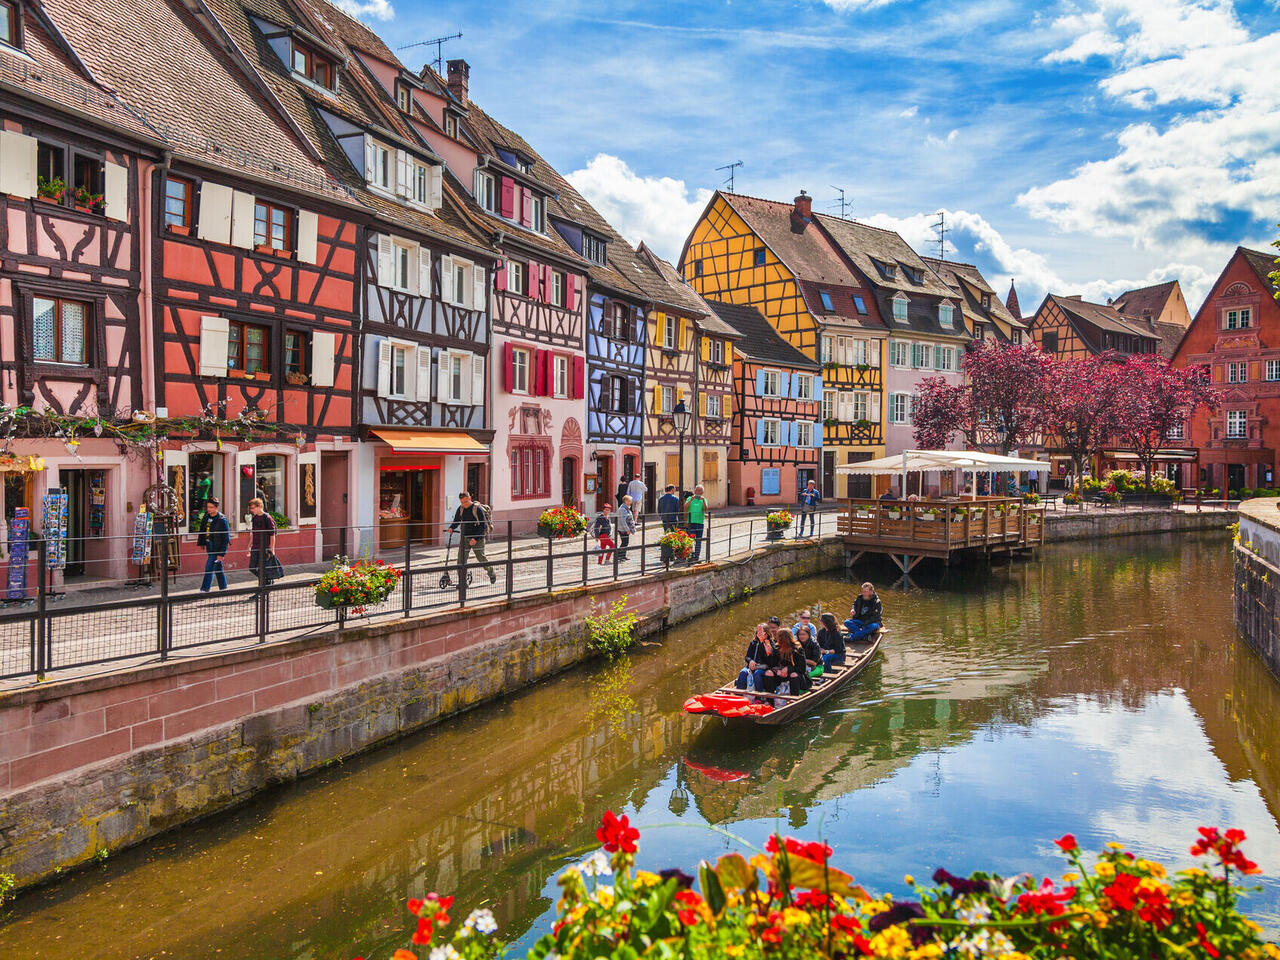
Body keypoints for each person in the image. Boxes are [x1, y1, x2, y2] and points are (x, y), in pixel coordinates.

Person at [448, 491, 496, 584]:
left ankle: (491, 572)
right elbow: (456, 521)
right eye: (462, 502)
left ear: (469, 498)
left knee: (481, 558)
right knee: (461, 560)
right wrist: (451, 528)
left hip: (478, 538)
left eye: (466, 501)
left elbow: (483, 526)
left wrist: (475, 539)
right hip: (465, 537)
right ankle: (463, 582)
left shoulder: (477, 509)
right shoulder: (461, 509)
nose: (464, 504)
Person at [195, 497, 229, 593]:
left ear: (217, 507)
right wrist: (202, 541)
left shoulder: (222, 519)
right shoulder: (206, 516)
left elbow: (226, 538)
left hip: (217, 548)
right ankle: (223, 587)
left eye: (211, 507)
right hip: (209, 545)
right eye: (207, 507)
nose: (208, 509)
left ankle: (204, 589)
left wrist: (222, 553)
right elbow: (203, 530)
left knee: (209, 567)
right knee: (218, 566)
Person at [247, 498, 281, 584]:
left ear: (260, 506)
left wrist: (272, 549)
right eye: (251, 508)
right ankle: (267, 580)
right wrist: (249, 545)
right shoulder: (254, 518)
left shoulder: (267, 518)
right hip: (255, 546)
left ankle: (260, 591)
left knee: (262, 569)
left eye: (253, 508)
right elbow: (253, 532)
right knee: (252, 568)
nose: (252, 510)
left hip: (265, 547)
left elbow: (272, 535)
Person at [735, 623, 775, 691]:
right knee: (743, 672)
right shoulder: (753, 643)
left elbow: (769, 659)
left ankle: (758, 697)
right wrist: (750, 661)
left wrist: (762, 643)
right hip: (751, 666)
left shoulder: (770, 644)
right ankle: (738, 694)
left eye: (760, 631)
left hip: (763, 667)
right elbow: (747, 657)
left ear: (766, 633)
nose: (758, 633)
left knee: (757, 673)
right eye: (757, 631)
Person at [684, 484, 708, 562]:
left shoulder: (704, 499)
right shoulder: (689, 498)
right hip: (691, 522)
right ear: (694, 491)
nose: (698, 492)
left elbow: (705, 510)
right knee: (691, 539)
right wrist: (691, 500)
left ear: (702, 492)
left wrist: (703, 501)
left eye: (700, 490)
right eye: (697, 490)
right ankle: (691, 555)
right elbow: (685, 507)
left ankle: (696, 556)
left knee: (698, 540)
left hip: (700, 522)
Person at [614, 494, 636, 562]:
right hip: (623, 529)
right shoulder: (623, 509)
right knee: (624, 542)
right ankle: (619, 556)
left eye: (631, 501)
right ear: (625, 501)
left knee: (625, 542)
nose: (630, 502)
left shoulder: (626, 508)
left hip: (624, 528)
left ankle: (623, 556)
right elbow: (623, 521)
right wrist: (627, 529)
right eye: (629, 501)